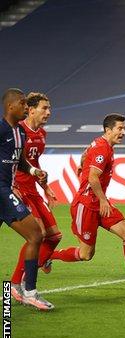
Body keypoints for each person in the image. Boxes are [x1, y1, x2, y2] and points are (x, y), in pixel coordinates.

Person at [48, 114, 125, 294]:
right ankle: (47, 256)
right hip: (86, 205)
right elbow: (93, 177)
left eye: (124, 129)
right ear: (108, 130)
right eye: (119, 129)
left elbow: (86, 155)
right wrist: (102, 200)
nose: (123, 132)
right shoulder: (103, 149)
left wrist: (81, 164)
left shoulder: (101, 144)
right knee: (86, 254)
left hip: (99, 204)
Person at [1, 88, 54, 310]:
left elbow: (20, 162)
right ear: (10, 106)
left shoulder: (20, 133)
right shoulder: (1, 129)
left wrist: (34, 172)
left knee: (37, 235)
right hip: (3, 191)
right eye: (23, 104)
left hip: (6, 190)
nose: (26, 108)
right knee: (36, 234)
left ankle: (20, 288)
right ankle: (30, 292)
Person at [10, 92, 63, 300]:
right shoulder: (17, 131)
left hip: (33, 189)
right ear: (30, 110)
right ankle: (17, 283)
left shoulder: (41, 134)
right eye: (44, 108)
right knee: (36, 235)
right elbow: (10, 162)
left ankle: (31, 270)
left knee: (54, 236)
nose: (48, 112)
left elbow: (34, 164)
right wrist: (12, 186)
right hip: (18, 190)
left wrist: (46, 187)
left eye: (49, 108)